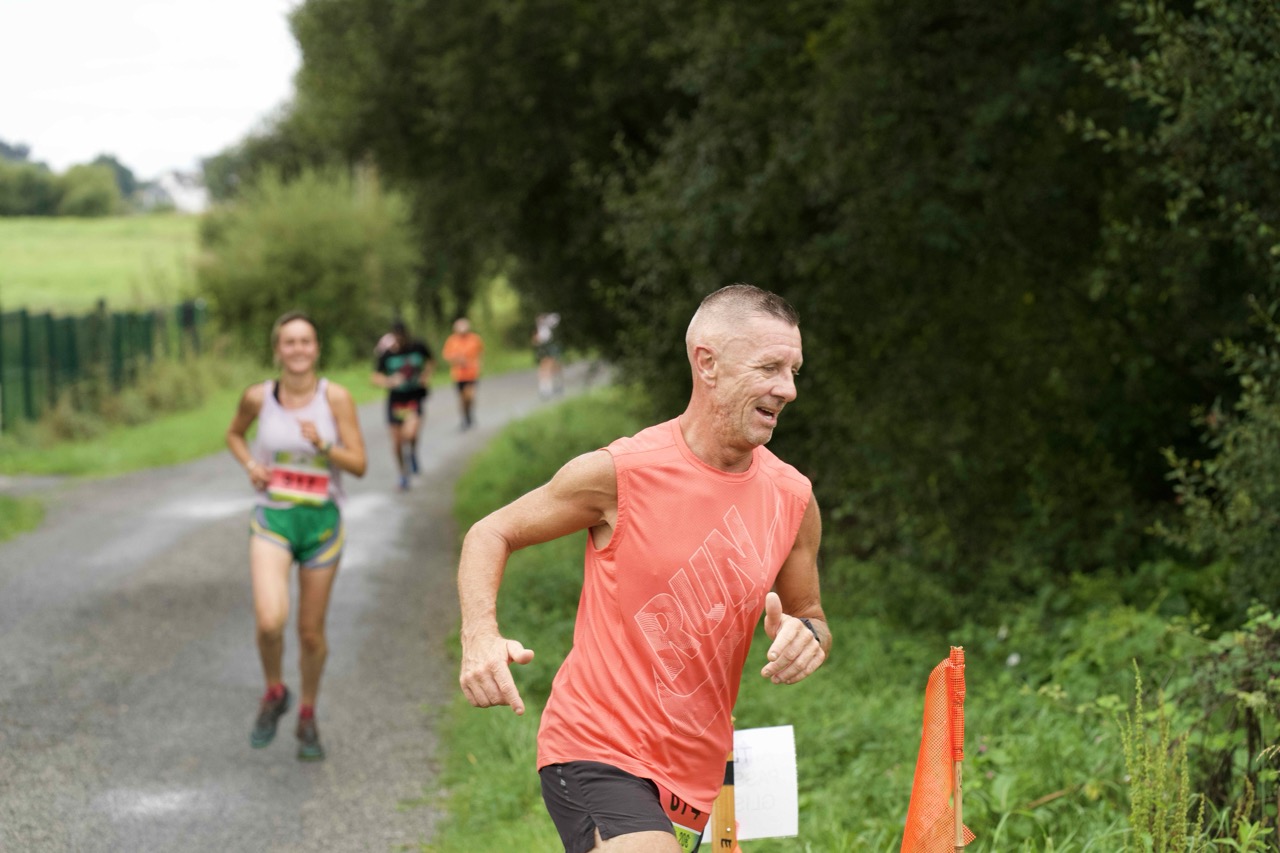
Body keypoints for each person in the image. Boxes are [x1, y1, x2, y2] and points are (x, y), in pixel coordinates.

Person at [458, 284, 830, 852]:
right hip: (594, 744)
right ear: (707, 363)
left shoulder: (793, 498)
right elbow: (491, 532)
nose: (789, 389)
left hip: (695, 773)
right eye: (769, 368)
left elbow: (811, 615)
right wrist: (480, 636)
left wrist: (807, 637)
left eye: (794, 370)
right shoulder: (621, 472)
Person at [226, 310, 368, 762]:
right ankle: (274, 691)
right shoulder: (258, 396)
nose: (298, 349)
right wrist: (252, 465)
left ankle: (307, 712)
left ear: (317, 348)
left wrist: (324, 445)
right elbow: (234, 435)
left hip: (321, 523)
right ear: (277, 350)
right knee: (270, 621)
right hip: (274, 518)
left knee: (310, 634)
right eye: (290, 342)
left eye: (306, 341)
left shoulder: (336, 398)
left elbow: (360, 464)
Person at [371, 320, 435, 491]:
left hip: (414, 399)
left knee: (410, 434)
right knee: (397, 442)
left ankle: (412, 453)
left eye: (401, 337)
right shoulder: (386, 353)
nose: (398, 340)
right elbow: (375, 377)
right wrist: (389, 381)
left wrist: (425, 376)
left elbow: (431, 361)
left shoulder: (418, 346)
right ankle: (403, 474)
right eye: (396, 337)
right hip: (396, 402)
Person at [442, 317, 484, 430]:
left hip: (472, 373)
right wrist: (457, 359)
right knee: (462, 398)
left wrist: (479, 365)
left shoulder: (475, 339)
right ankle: (465, 418)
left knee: (470, 396)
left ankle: (470, 414)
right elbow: (447, 355)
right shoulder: (452, 341)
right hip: (458, 375)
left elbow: (480, 353)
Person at [532, 311, 564, 398]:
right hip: (545, 349)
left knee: (553, 367)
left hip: (549, 347)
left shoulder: (549, 324)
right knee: (545, 368)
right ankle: (546, 389)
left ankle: (551, 388)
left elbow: (555, 319)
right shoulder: (541, 328)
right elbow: (537, 340)